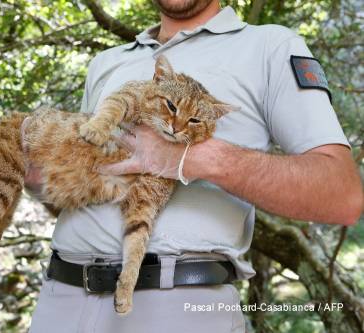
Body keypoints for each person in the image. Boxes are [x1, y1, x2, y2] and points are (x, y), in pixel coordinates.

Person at [25, 1, 363, 332]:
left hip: (177, 305)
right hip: (60, 296)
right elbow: (83, 189)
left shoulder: (269, 46)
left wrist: (188, 158)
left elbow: (342, 195)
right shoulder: (107, 62)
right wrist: (38, 176)